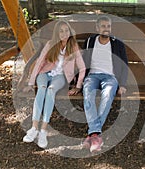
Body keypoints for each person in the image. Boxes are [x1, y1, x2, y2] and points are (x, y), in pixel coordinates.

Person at [22, 20, 86, 148]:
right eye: (61, 31)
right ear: (57, 33)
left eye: (66, 31)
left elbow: (83, 67)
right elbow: (39, 63)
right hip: (44, 74)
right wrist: (30, 83)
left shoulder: (73, 47)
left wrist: (78, 86)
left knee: (50, 90)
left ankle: (43, 130)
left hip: (60, 77)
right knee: (42, 88)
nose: (64, 34)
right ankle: (34, 127)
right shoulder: (50, 44)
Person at [81, 16, 128, 152]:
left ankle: (93, 134)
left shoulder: (118, 44)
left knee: (107, 95)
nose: (106, 29)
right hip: (92, 76)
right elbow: (83, 62)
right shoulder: (90, 41)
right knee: (88, 94)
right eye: (103, 26)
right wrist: (77, 83)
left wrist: (123, 84)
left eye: (108, 26)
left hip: (110, 77)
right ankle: (96, 135)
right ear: (97, 28)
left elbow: (124, 65)